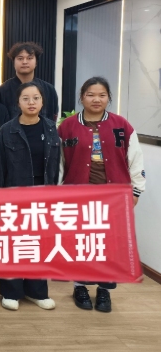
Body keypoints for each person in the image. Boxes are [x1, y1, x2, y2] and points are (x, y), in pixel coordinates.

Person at [58, 76, 145, 313]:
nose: (96, 99)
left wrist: (135, 191)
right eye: (90, 95)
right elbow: (59, 164)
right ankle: (80, 287)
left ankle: (105, 290)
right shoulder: (67, 127)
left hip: (113, 197)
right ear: (82, 97)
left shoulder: (122, 125)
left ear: (108, 98)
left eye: (102, 95)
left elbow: (135, 160)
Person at [0, 81, 60, 311]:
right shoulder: (6, 131)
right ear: (17, 102)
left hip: (43, 197)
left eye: (36, 98)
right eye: (26, 98)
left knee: (38, 244)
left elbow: (57, 166)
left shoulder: (51, 129)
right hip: (13, 197)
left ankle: (36, 291)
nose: (31, 102)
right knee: (12, 244)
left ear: (42, 101)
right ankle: (10, 292)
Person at [0, 42, 59, 121]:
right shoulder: (0, 92)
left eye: (29, 58)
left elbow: (52, 118)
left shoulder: (49, 89)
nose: (25, 62)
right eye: (20, 58)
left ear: (36, 62)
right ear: (13, 62)